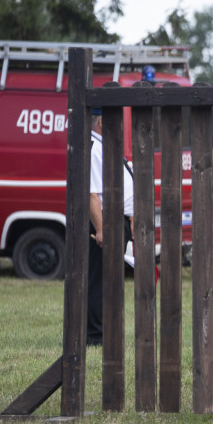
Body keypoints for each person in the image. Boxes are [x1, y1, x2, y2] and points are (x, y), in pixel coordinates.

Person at [88, 107, 134, 347]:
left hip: (118, 220)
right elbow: (92, 194)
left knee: (112, 279)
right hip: (106, 220)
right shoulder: (94, 148)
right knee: (101, 280)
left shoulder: (103, 146)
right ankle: (96, 336)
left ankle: (105, 331)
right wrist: (102, 228)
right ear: (102, 122)